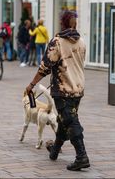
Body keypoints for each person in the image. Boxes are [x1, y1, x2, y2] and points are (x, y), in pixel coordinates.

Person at [25, 11, 90, 171]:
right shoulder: (81, 41)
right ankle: (54, 151)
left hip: (62, 90)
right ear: (74, 23)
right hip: (78, 88)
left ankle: (82, 157)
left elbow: (45, 67)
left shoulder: (57, 42)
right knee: (64, 120)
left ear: (62, 23)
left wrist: (32, 84)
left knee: (70, 121)